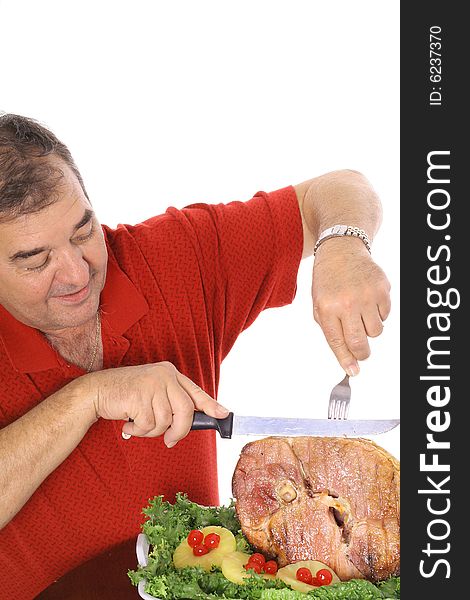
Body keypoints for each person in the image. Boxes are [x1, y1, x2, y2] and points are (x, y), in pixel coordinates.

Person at [0, 113, 391, 598]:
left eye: (83, 232)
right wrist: (87, 398)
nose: (77, 273)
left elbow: (337, 189)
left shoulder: (174, 258)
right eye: (36, 260)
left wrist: (343, 247)